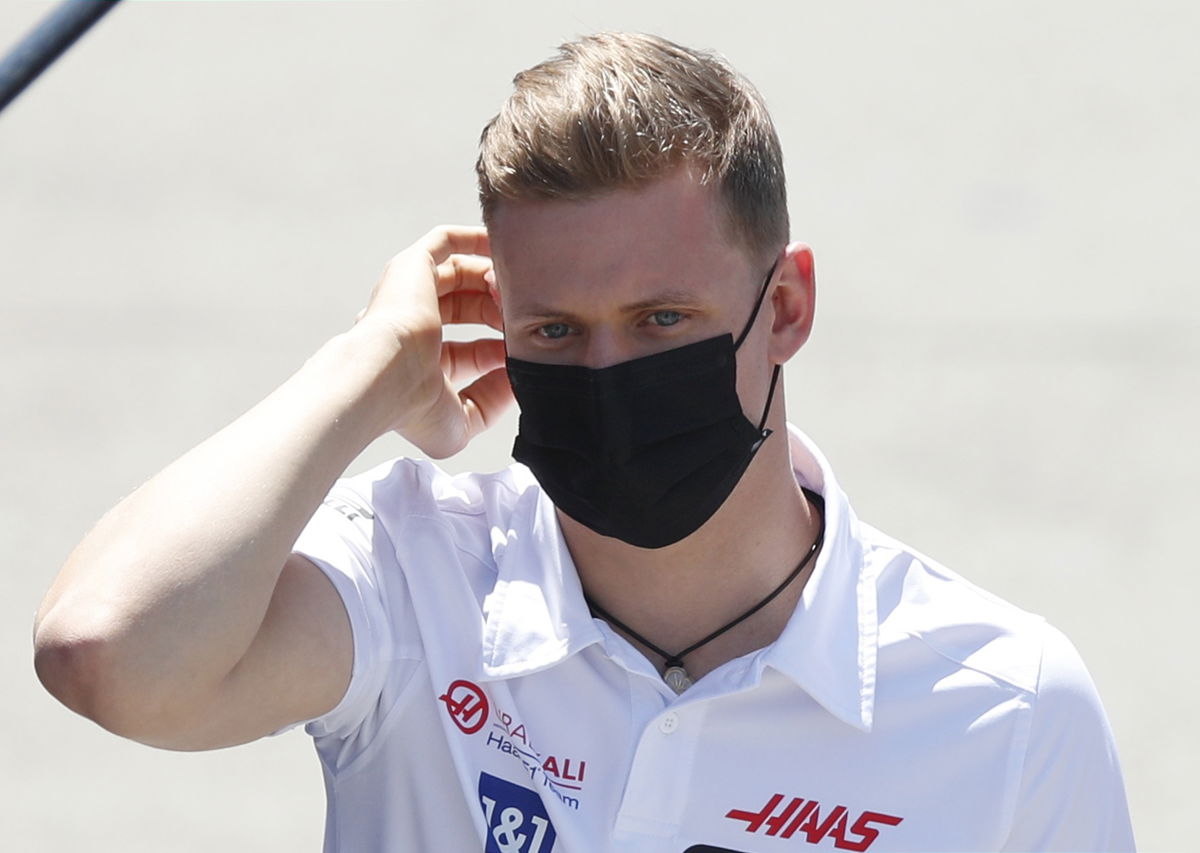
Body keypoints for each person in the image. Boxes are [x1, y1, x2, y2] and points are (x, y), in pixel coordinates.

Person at [34, 32, 1133, 853]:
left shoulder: (1007, 710)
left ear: (787, 308)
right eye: (554, 330)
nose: (608, 376)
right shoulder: (417, 583)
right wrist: (365, 367)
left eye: (662, 321)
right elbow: (109, 653)